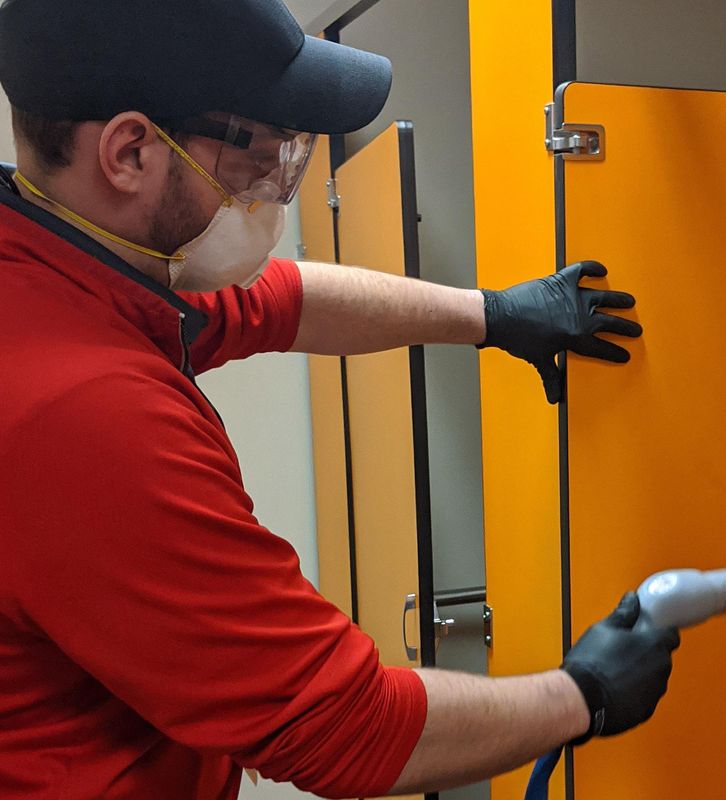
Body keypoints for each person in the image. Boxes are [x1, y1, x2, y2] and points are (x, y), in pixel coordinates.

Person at [0, 1, 680, 798]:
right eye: (254, 152)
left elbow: (280, 300)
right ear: (130, 152)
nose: (271, 191)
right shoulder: (82, 411)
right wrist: (584, 695)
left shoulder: (58, 261)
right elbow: (344, 730)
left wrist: (494, 315)